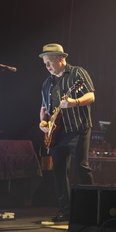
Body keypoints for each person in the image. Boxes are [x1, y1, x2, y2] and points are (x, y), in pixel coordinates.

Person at [38, 43, 96, 222]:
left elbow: (91, 96)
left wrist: (74, 102)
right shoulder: (47, 83)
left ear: (61, 58)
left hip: (78, 128)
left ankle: (91, 210)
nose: (47, 66)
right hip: (57, 134)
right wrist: (43, 123)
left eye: (49, 62)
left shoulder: (78, 73)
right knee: (58, 171)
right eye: (45, 63)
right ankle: (65, 211)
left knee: (81, 168)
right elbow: (43, 108)